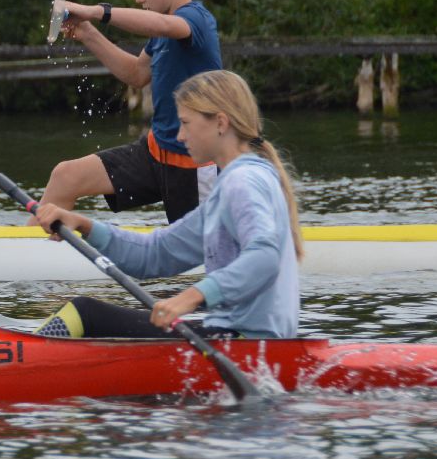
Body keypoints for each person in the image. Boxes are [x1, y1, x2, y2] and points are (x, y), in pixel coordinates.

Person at [32, 69, 301, 340]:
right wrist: (85, 225)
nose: (180, 136)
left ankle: (17, 357)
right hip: (243, 339)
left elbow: (266, 255)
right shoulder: (238, 183)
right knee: (87, 313)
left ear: (220, 123)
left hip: (247, 344)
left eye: (185, 123)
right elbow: (155, 254)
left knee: (84, 313)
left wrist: (192, 296)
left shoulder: (242, 181)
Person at [38, 0, 222, 224]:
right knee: (65, 176)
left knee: (198, 250)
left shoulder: (197, 19)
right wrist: (88, 33)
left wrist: (95, 11)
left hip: (194, 165)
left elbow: (165, 25)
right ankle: (25, 245)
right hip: (155, 153)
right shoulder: (160, 32)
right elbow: (136, 74)